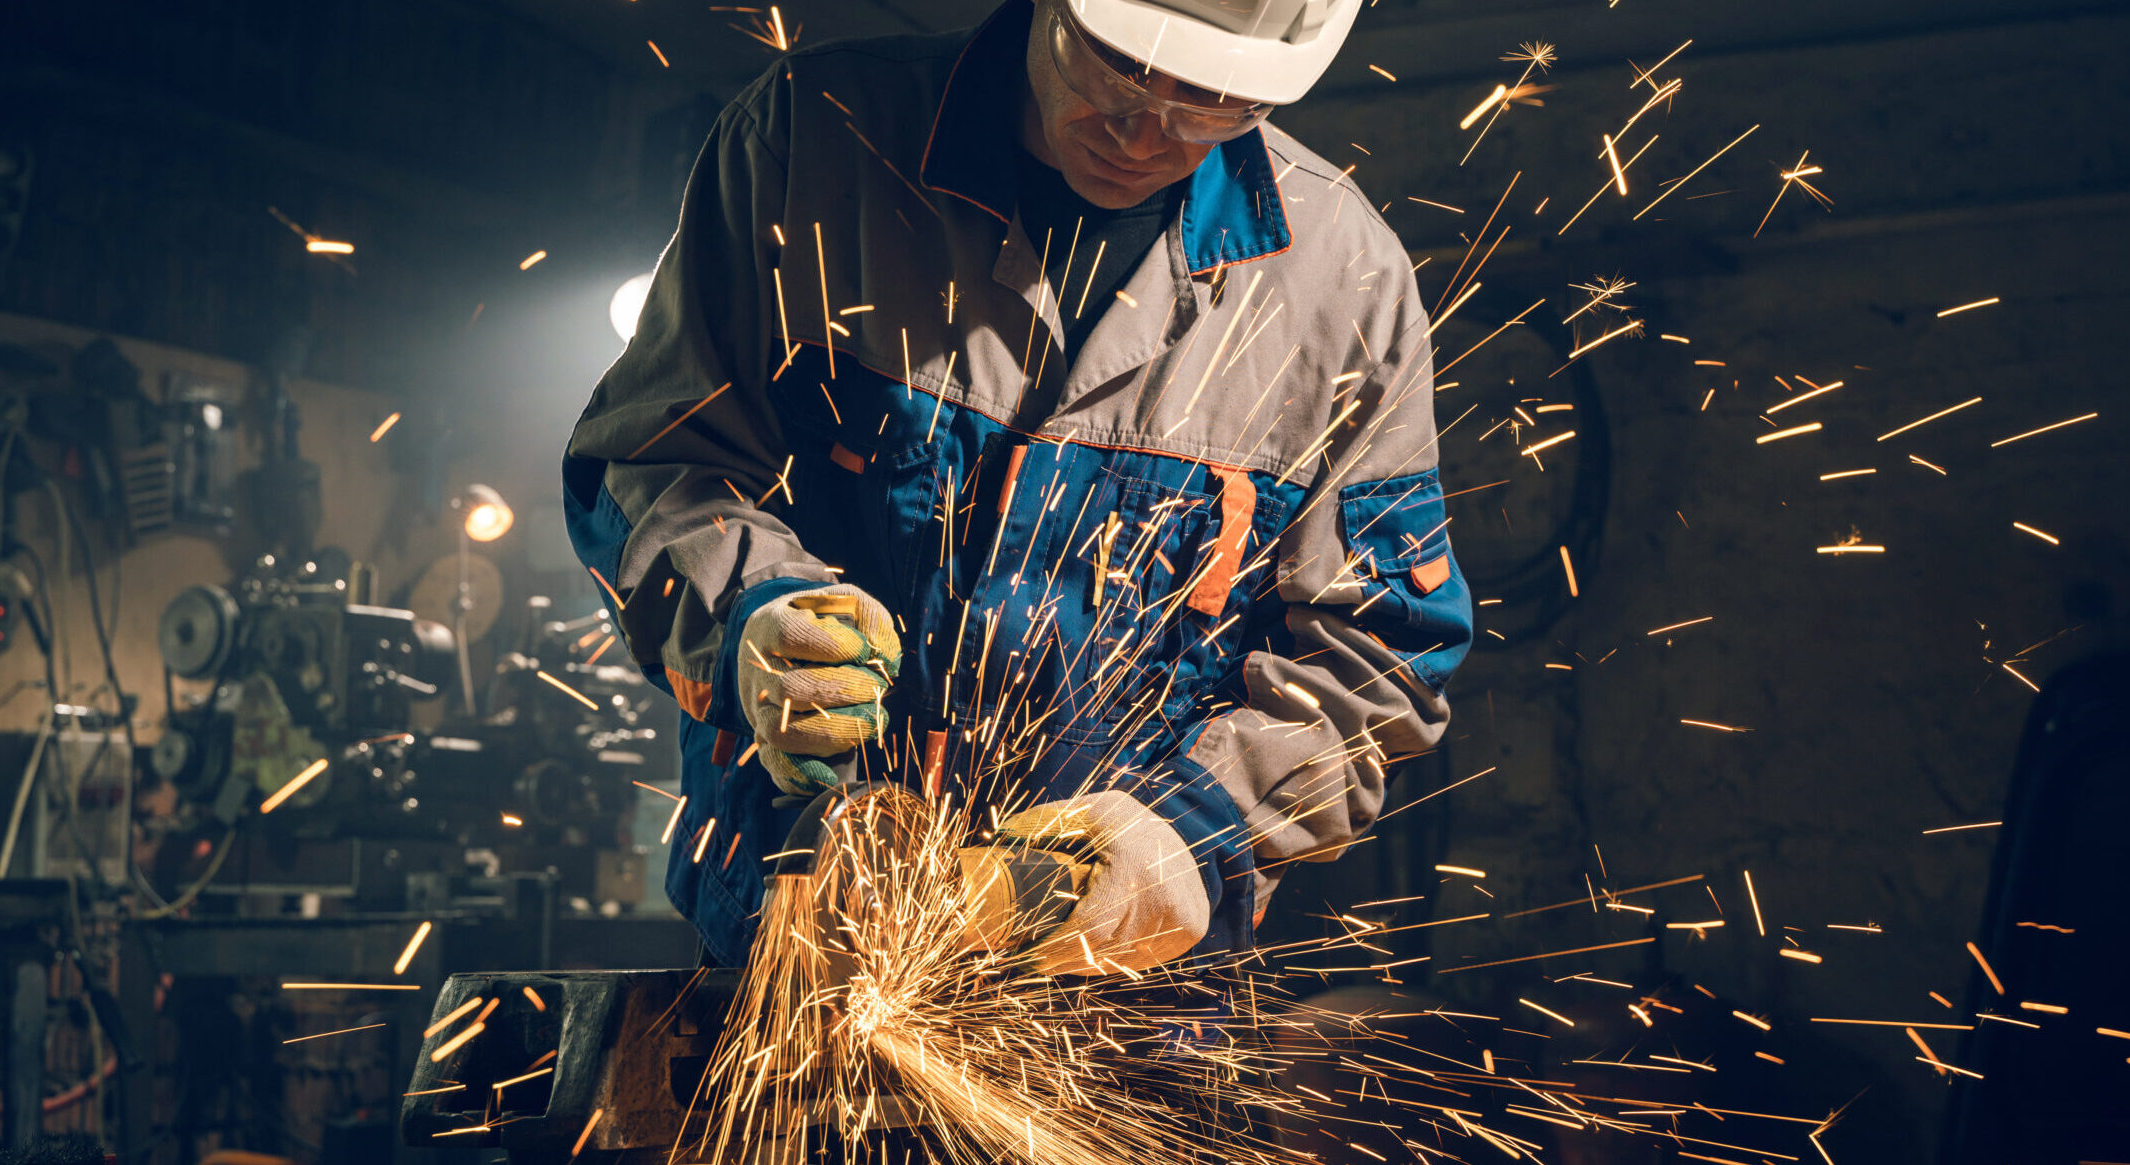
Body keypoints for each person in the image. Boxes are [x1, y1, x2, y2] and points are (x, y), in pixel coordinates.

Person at [563, 0, 1471, 975]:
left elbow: (1380, 658)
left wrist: (1182, 833)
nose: (1140, 133)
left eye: (1208, 103)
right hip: (797, 940)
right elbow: (649, 462)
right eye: (1116, 69)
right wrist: (751, 612)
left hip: (1126, 1005)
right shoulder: (817, 143)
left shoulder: (1342, 281)